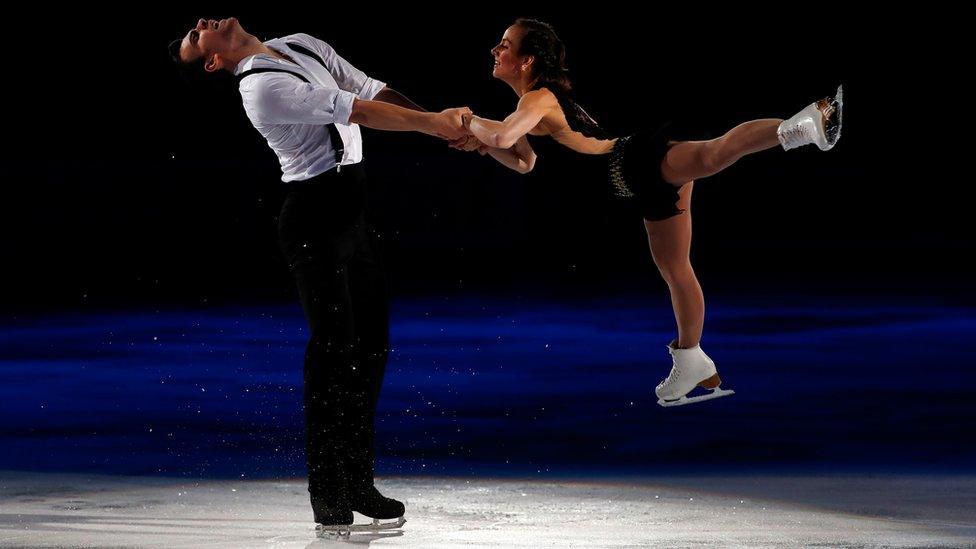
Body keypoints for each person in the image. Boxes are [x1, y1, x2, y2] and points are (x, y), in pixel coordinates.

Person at [168, 16, 470, 530]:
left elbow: (371, 88)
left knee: (371, 347)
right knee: (333, 352)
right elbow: (358, 112)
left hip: (352, 210)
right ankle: (326, 489)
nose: (202, 23)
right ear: (215, 61)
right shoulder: (260, 89)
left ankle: (358, 480)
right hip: (312, 218)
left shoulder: (300, 43)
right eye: (197, 37)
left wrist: (444, 126)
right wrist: (441, 126)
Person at [452, 18, 842, 407]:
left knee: (712, 153)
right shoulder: (535, 101)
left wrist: (471, 123)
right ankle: (692, 359)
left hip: (632, 164)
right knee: (675, 267)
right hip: (633, 184)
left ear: (526, 60)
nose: (495, 50)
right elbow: (523, 160)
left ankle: (803, 125)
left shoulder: (537, 99)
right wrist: (483, 143)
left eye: (504, 44)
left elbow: (503, 134)